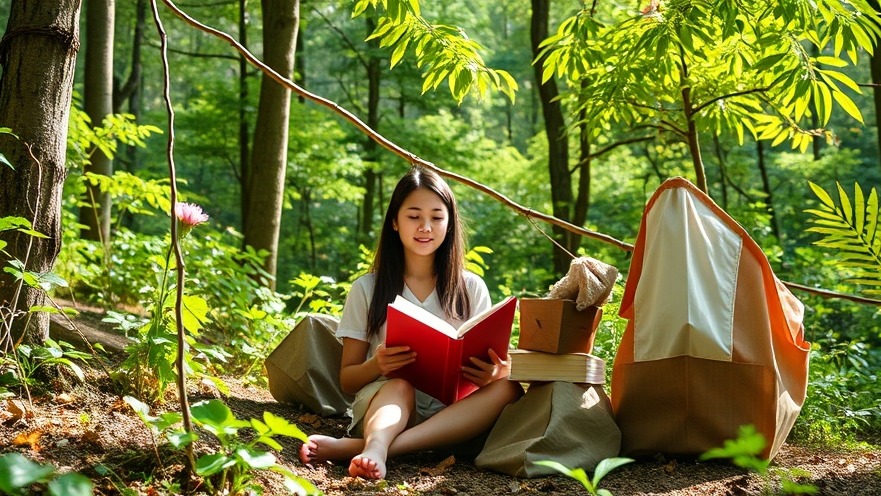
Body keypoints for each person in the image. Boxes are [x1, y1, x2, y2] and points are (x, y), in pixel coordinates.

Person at [298, 165, 523, 480]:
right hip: (387, 407)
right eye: (414, 216)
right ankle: (376, 445)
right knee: (400, 386)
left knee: (509, 387)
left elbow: (493, 362)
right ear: (394, 222)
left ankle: (363, 448)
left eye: (437, 217)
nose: (426, 227)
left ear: (450, 224)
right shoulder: (368, 289)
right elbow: (348, 381)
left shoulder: (471, 288)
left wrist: (497, 373)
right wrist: (378, 364)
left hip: (454, 416)